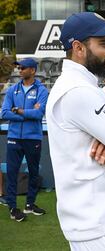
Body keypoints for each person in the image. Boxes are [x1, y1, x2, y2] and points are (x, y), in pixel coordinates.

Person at [46, 12, 105, 251]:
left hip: (93, 221)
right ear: (78, 47)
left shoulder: (79, 86)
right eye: (104, 43)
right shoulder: (77, 91)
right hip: (95, 224)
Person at [1, 58, 49, 222]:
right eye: (19, 68)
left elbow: (39, 114)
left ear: (33, 70)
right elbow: (4, 113)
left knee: (34, 173)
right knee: (12, 173)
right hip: (14, 137)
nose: (19, 70)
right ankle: (13, 208)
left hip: (33, 138)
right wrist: (25, 114)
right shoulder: (12, 89)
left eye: (23, 68)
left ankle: (30, 205)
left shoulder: (42, 90)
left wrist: (19, 111)